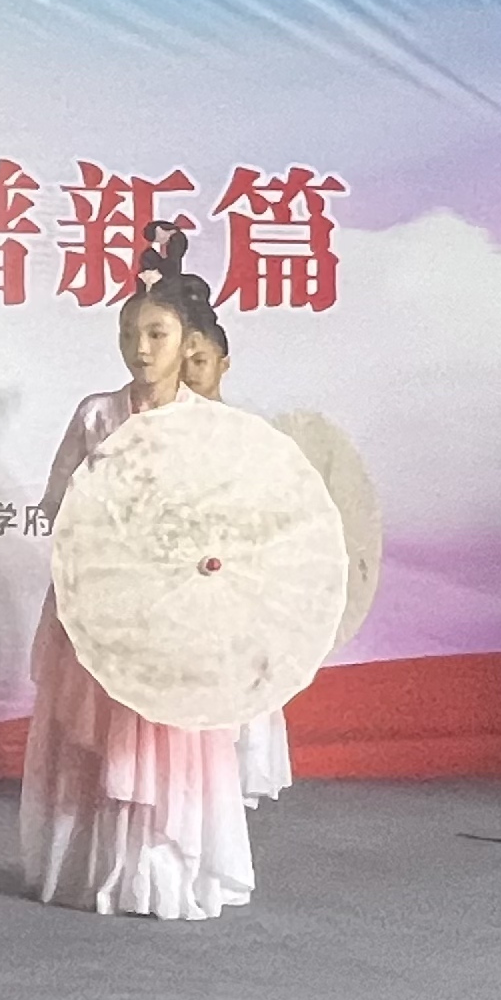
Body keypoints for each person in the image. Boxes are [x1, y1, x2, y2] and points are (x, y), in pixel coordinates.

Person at [18, 222, 250, 921]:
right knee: (94, 738)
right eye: (129, 334)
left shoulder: (210, 424)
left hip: (175, 607)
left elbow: (233, 517)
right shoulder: (96, 414)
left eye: (156, 334)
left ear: (186, 341)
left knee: (169, 737)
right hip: (99, 602)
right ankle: (92, 868)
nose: (141, 348)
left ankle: (163, 869)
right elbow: (57, 504)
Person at [179, 318, 294, 811]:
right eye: (183, 360)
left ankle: (229, 783)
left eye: (201, 360)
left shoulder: (247, 432)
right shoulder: (160, 428)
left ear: (224, 364)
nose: (190, 370)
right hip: (180, 577)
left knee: (237, 678)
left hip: (233, 573)